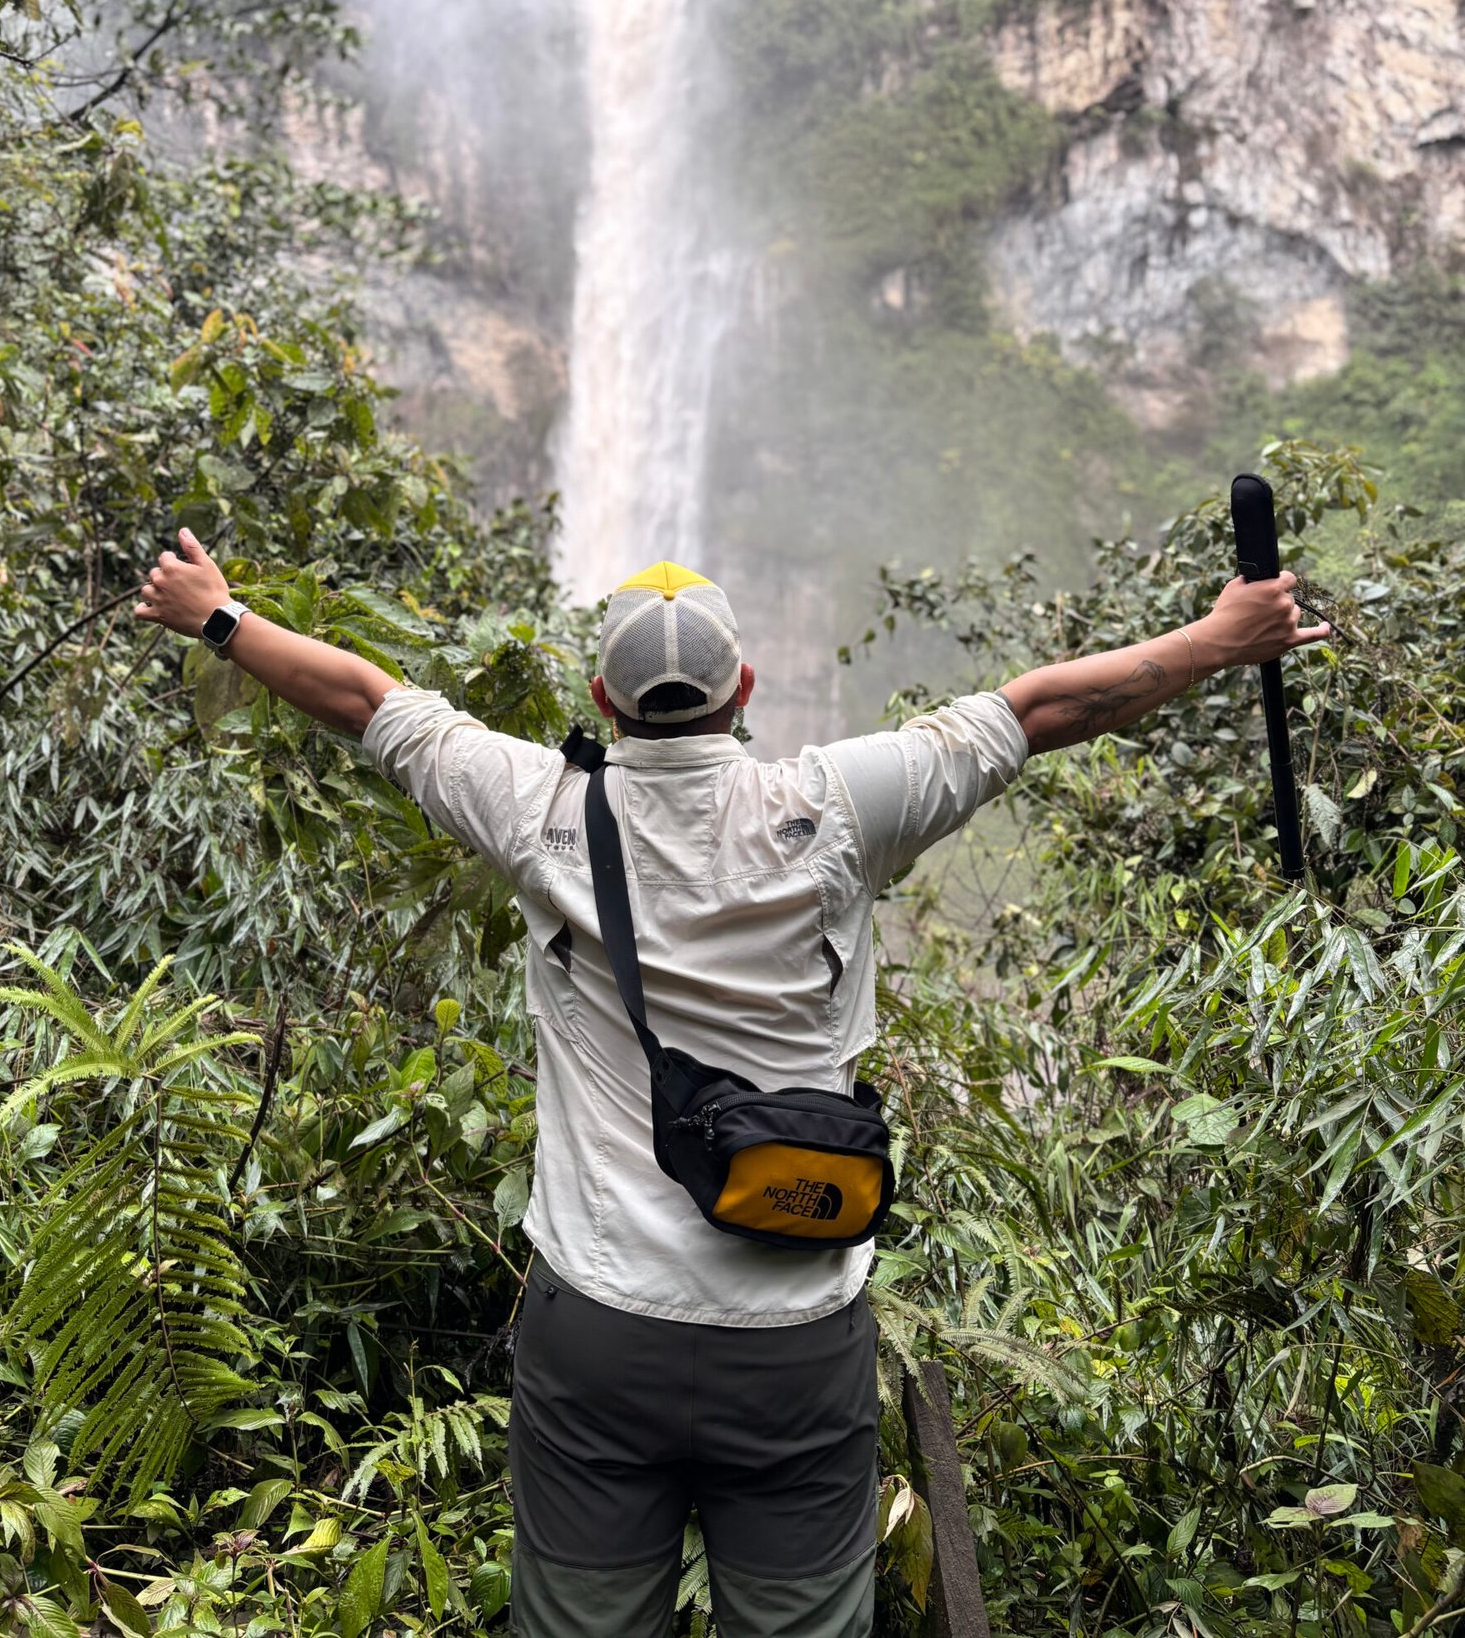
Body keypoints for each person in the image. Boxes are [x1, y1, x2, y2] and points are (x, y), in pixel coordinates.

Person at [135, 538, 1327, 1638]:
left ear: (600, 702)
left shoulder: (537, 803)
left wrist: (221, 616)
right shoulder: (842, 806)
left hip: (598, 1327)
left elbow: (366, 700)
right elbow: (1041, 708)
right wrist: (1223, 636)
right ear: (743, 688)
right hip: (791, 1332)